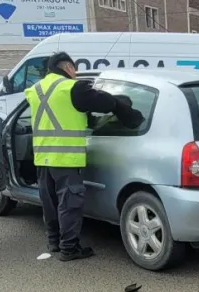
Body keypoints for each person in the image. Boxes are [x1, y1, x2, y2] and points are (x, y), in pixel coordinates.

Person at [26, 52, 144, 261]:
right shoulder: (71, 88)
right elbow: (104, 103)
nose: (76, 74)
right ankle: (69, 249)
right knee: (69, 204)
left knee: (50, 202)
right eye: (75, 70)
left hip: (42, 157)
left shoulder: (35, 90)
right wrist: (121, 105)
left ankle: (54, 242)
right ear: (68, 68)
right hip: (66, 157)